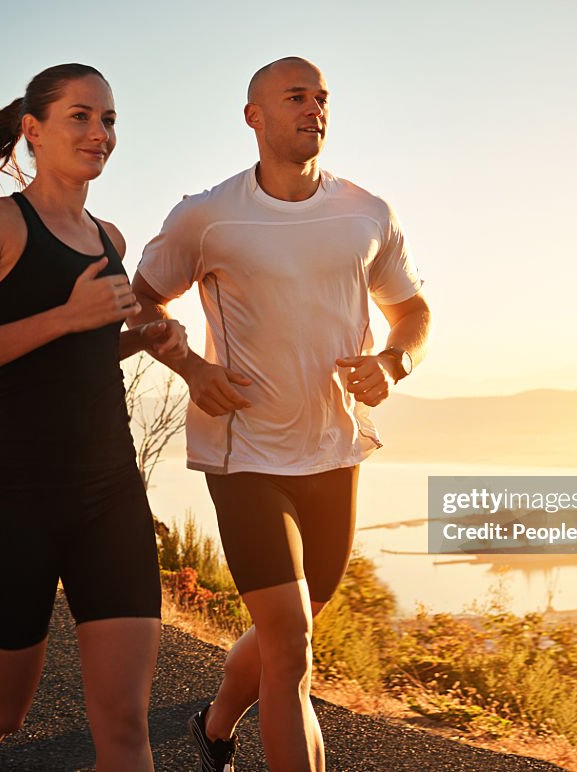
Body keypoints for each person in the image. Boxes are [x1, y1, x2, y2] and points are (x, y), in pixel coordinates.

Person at [132, 56, 431, 771]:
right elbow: (141, 300)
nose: (315, 109)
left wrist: (393, 363)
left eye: (323, 98)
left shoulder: (367, 212)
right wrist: (192, 369)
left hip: (334, 453)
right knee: (293, 647)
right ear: (254, 117)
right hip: (244, 454)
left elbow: (413, 311)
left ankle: (215, 724)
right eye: (297, 97)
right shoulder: (207, 216)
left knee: (285, 636)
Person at [0, 63, 187, 772]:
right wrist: (65, 316)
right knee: (4, 709)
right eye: (80, 116)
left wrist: (141, 337)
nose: (99, 133)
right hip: (17, 497)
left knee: (123, 721)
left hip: (110, 491)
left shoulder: (110, 236)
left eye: (109, 119)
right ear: (33, 130)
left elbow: (83, 353)